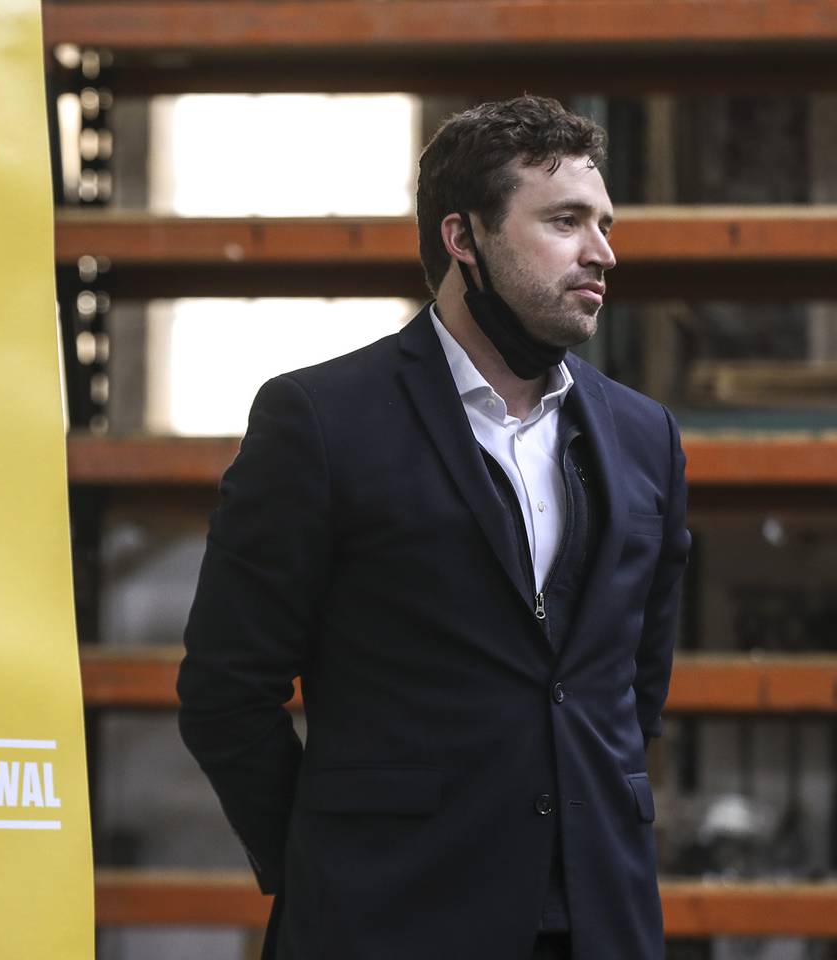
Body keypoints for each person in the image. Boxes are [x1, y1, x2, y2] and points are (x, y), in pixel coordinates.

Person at [177, 95, 690, 960]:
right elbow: (225, 693)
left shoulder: (647, 436)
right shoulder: (320, 420)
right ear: (464, 238)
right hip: (384, 920)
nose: (602, 251)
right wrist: (321, 864)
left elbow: (634, 686)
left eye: (603, 224)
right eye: (564, 222)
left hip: (601, 919)